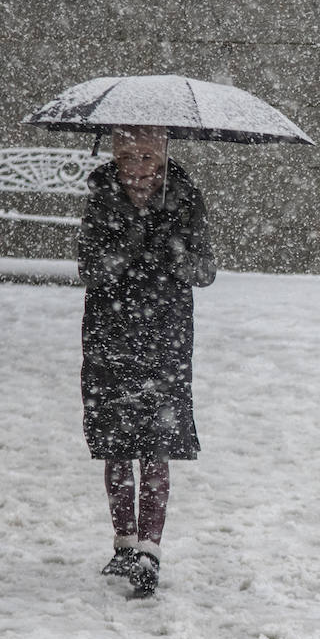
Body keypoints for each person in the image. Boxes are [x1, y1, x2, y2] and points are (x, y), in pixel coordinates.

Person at [77, 124, 216, 598]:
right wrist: (129, 243)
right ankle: (122, 542)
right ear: (115, 158)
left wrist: (172, 251)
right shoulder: (101, 198)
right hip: (110, 333)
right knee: (117, 440)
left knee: (157, 441)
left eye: (147, 158)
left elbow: (205, 270)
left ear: (161, 158)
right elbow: (90, 268)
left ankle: (149, 551)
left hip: (165, 334)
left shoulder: (184, 198)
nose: (137, 169)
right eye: (128, 158)